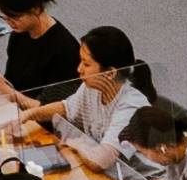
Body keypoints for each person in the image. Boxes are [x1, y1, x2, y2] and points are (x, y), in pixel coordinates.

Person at [58, 27, 154, 168]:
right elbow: (66, 108)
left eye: (86, 64)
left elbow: (100, 161)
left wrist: (76, 143)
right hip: (111, 172)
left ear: (109, 73)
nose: (79, 69)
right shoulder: (93, 86)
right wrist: (29, 114)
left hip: (137, 179)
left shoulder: (132, 106)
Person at [0, 0, 82, 108]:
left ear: (36, 9)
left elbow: (53, 109)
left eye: (15, 17)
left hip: (41, 116)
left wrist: (8, 91)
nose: (9, 23)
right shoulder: (19, 33)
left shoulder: (64, 49)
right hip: (17, 107)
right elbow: (13, 81)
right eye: (5, 18)